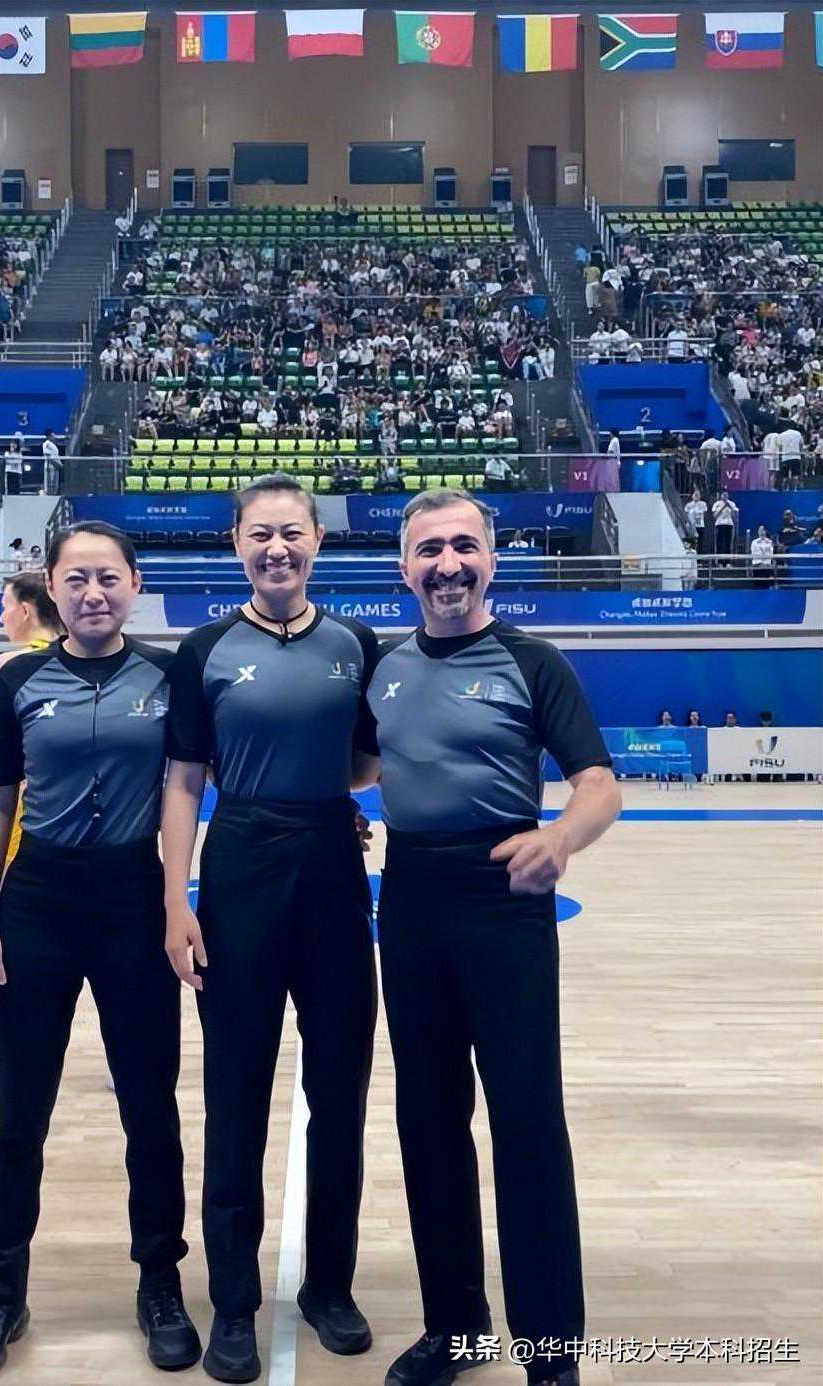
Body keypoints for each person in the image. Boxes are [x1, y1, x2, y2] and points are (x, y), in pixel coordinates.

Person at [366, 488, 620, 1386]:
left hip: (505, 897)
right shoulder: (383, 668)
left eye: (464, 546)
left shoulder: (532, 660)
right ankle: (454, 1327)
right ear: (405, 568)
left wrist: (561, 838)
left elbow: (599, 784)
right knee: (429, 1118)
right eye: (430, 549)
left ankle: (551, 1350)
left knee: (526, 1120)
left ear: (491, 560)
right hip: (411, 896)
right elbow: (361, 761)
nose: (448, 564)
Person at [0, 522, 201, 1380]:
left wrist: (176, 902)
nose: (93, 593)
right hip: (39, 903)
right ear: (51, 588)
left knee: (150, 1108)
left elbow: (193, 787)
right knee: (19, 1114)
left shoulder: (170, 676)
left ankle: (161, 1284)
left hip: (132, 899)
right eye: (76, 579)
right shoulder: (20, 679)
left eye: (109, 577)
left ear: (135, 585)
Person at [161, 473, 380, 1383]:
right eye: (260, 534)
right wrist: (175, 899)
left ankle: (329, 1286)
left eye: (292, 532)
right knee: (237, 1095)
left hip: (330, 867)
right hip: (240, 864)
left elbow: (367, 760)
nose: (277, 548)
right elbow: (183, 779)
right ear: (237, 545)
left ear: (318, 540)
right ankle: (233, 1304)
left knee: (340, 1094)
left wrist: (331, 802)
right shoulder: (204, 649)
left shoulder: (357, 643)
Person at [0, 570, 64, 1107]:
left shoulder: (10, 664)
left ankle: (7, 1075)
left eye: (4, 606)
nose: (1, 617)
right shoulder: (87, 656)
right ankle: (126, 1067)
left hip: (29, 828)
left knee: (17, 957)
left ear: (26, 610)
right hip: (95, 829)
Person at [711, 490, 738, 555]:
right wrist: (723, 507)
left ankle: (727, 559)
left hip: (729, 524)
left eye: (726, 495)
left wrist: (730, 507)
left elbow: (734, 515)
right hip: (719, 524)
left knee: (728, 542)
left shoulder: (731, 503)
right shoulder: (717, 503)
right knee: (719, 542)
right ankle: (719, 559)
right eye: (723, 495)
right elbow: (715, 516)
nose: (725, 496)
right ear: (721, 496)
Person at [684, 487, 708, 552]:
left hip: (700, 525)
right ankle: (691, 553)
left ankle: (699, 555)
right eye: (695, 494)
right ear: (692, 496)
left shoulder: (703, 503)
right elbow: (686, 514)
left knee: (700, 540)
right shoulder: (689, 505)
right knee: (691, 540)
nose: (696, 496)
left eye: (698, 495)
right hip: (691, 525)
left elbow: (705, 512)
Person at [41, 430, 61, 496]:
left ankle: (54, 494)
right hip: (50, 466)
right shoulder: (46, 443)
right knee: (50, 482)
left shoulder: (54, 445)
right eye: (52, 435)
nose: (54, 437)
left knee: (55, 483)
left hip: (56, 466)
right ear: (48, 436)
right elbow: (48, 456)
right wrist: (55, 463)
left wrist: (59, 464)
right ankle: (49, 495)